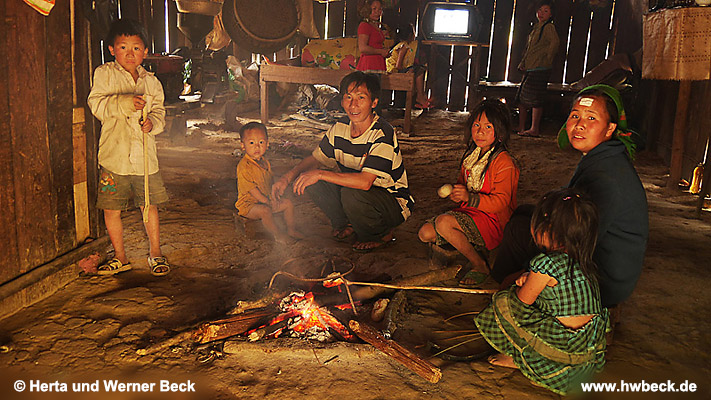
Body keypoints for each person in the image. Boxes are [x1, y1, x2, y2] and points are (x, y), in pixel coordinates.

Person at [491, 84, 649, 309]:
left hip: (603, 280)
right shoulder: (602, 157)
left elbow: (576, 241)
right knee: (525, 213)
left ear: (610, 128)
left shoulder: (607, 177)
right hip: (595, 255)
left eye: (591, 118)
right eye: (575, 115)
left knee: (519, 231)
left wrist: (530, 270)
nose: (580, 124)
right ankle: (510, 284)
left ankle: (510, 292)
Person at [475, 187, 609, 395]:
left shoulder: (545, 264)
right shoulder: (585, 263)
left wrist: (519, 282)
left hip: (561, 347)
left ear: (548, 230)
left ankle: (520, 359)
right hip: (584, 351)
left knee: (504, 301)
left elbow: (522, 302)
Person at [271, 71, 413, 252]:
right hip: (357, 194)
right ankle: (346, 223)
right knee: (310, 180)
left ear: (374, 103)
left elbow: (364, 182)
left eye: (361, 97)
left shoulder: (382, 133)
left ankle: (380, 234)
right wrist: (286, 178)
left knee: (348, 192)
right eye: (348, 97)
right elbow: (316, 159)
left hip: (392, 203)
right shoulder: (340, 128)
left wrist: (319, 173)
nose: (353, 105)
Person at [87, 19, 170, 276]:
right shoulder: (104, 74)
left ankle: (155, 253)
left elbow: (160, 112)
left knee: (149, 206)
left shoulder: (152, 82)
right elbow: (96, 105)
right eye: (123, 47)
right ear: (112, 49)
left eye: (136, 48)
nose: (130, 54)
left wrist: (153, 123)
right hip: (114, 157)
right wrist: (125, 103)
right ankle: (120, 257)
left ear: (145, 51)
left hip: (145, 159)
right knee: (111, 209)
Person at [418, 99, 519, 284]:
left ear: (500, 132)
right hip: (471, 213)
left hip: (494, 220)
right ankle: (472, 244)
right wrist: (457, 193)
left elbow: (501, 203)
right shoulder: (472, 156)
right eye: (476, 125)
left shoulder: (504, 162)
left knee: (443, 223)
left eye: (488, 127)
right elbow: (462, 186)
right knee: (425, 233)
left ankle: (479, 264)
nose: (480, 132)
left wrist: (469, 198)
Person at [235, 122, 303, 243]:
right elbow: (253, 190)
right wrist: (267, 202)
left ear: (267, 144)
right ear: (243, 145)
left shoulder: (265, 162)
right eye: (252, 143)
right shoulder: (244, 167)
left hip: (267, 200)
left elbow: (271, 181)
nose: (257, 147)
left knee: (288, 204)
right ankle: (278, 235)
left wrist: (274, 198)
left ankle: (291, 230)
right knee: (265, 211)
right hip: (249, 206)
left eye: (261, 142)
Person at [515, 0, 559, 137]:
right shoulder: (536, 28)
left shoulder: (549, 27)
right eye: (540, 10)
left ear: (551, 14)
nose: (541, 13)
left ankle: (534, 129)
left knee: (535, 99)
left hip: (540, 68)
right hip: (530, 67)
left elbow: (555, 43)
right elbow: (530, 49)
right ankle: (521, 127)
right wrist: (523, 62)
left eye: (546, 11)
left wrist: (547, 59)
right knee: (521, 99)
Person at [385, 22, 431, 109]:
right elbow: (398, 65)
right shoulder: (404, 46)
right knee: (419, 71)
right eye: (414, 32)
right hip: (392, 71)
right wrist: (407, 71)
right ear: (410, 35)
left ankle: (421, 96)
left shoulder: (405, 45)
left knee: (418, 69)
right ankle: (420, 96)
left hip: (395, 69)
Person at [356, 0, 389, 72]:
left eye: (379, 9)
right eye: (374, 9)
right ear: (367, 10)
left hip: (378, 62)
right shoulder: (364, 25)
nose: (377, 12)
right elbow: (363, 48)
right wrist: (380, 51)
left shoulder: (375, 25)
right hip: (369, 64)